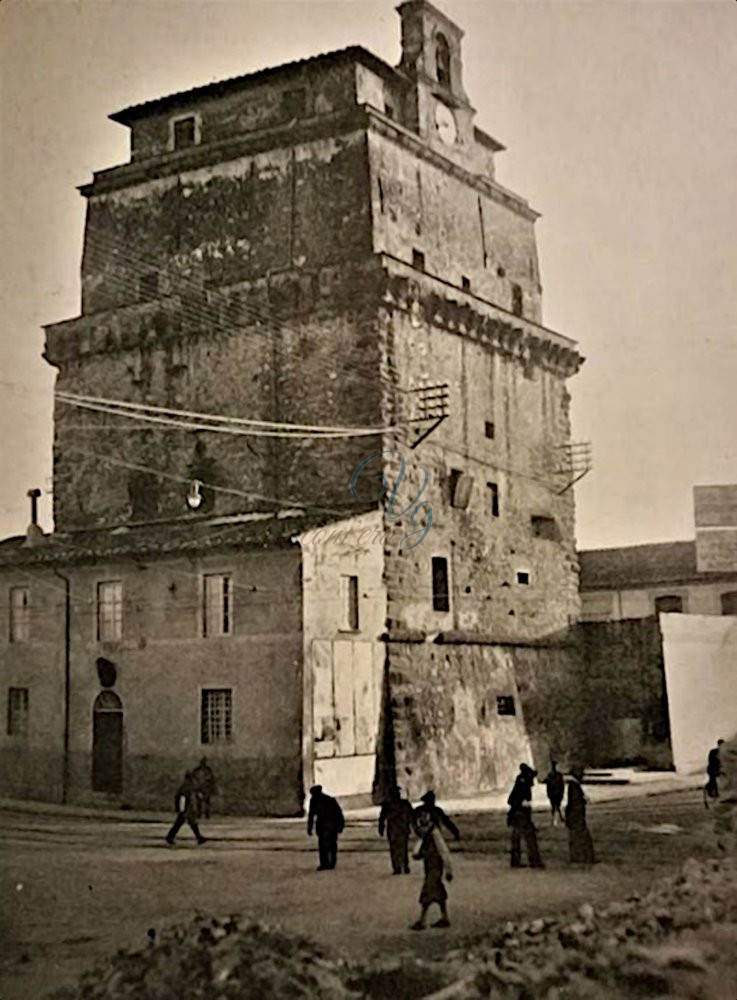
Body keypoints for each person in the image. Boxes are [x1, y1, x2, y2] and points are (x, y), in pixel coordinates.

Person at [411, 806, 453, 930]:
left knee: (428, 892)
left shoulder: (433, 833)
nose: (422, 818)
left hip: (434, 866)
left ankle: (422, 920)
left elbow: (443, 851)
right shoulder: (427, 833)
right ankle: (444, 917)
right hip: (430, 866)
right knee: (438, 892)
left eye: (425, 815)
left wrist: (448, 869)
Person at [507, 763, 544, 869]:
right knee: (530, 838)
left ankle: (515, 861)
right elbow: (515, 800)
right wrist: (523, 804)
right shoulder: (524, 785)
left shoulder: (520, 782)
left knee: (516, 838)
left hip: (516, 814)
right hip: (521, 814)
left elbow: (511, 800)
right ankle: (534, 861)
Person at [307, 785, 344, 870]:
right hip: (326, 825)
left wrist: (309, 827)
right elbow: (311, 815)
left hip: (328, 824)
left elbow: (311, 815)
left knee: (327, 845)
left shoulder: (321, 800)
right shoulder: (326, 800)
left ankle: (328, 863)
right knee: (327, 845)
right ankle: (328, 862)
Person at [378, 786, 414, 874]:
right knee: (402, 848)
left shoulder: (388, 805)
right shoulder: (404, 804)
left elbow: (382, 818)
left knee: (396, 848)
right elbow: (412, 816)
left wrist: (381, 828)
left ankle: (398, 866)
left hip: (395, 829)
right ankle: (403, 866)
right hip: (400, 828)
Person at [166, 772, 207, 845]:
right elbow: (182, 798)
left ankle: (199, 837)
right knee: (187, 823)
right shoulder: (186, 787)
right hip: (186, 809)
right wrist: (182, 809)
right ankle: (199, 837)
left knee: (185, 823)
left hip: (188, 809)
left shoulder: (189, 787)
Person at [565, 765, 596, 864]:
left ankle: (578, 857)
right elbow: (575, 803)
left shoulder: (573, 785)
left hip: (574, 816)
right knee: (581, 837)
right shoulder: (574, 786)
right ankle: (584, 857)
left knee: (576, 837)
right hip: (576, 816)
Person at [543, 760, 565, 827]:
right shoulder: (553, 776)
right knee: (556, 806)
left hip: (556, 793)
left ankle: (557, 819)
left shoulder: (554, 775)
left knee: (556, 806)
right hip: (554, 793)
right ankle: (558, 818)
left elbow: (561, 785)